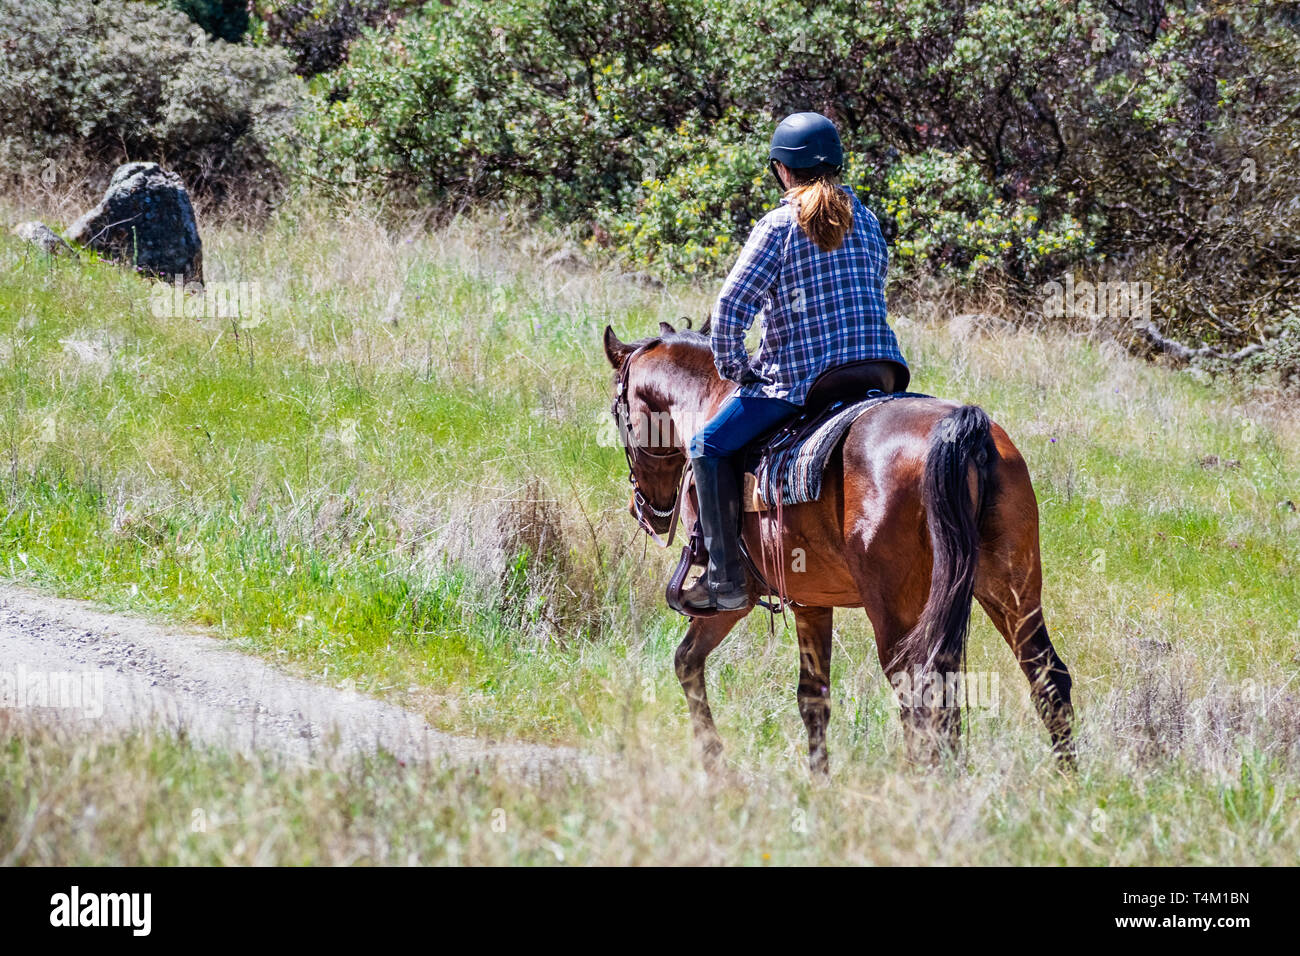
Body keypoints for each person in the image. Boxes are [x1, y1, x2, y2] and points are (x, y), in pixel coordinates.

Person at [680, 111, 910, 613]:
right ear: (838, 166)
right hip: (880, 373)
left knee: (708, 445)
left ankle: (725, 579)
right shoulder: (867, 220)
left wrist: (737, 368)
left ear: (782, 170)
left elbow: (730, 309)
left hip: (807, 382)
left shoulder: (779, 225)